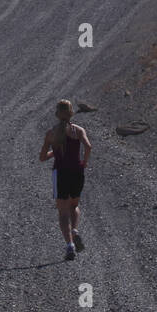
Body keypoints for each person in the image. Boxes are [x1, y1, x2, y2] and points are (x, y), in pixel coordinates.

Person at [39, 99, 91, 261]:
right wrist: (84, 163)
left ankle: (70, 246)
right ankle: (74, 230)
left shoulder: (51, 133)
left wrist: (55, 152)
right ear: (71, 113)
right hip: (77, 171)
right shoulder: (78, 130)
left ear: (56, 114)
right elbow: (88, 147)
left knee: (62, 212)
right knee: (74, 205)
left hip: (60, 173)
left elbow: (42, 157)